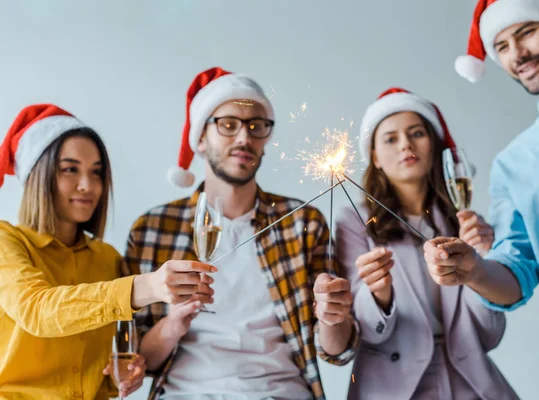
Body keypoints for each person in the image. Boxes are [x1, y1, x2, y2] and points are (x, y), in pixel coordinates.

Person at [125, 66, 360, 400]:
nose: (244, 137)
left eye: (256, 126)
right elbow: (140, 362)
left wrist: (332, 316)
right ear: (201, 138)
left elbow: (336, 352)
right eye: (228, 124)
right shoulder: (152, 229)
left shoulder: (301, 222)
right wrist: (174, 322)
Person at [424, 0, 539, 398]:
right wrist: (475, 271)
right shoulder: (513, 163)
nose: (516, 54)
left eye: (526, 32)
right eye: (500, 46)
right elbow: (517, 271)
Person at [0, 104, 216, 399]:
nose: (88, 185)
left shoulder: (108, 259)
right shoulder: (6, 242)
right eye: (70, 169)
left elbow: (108, 373)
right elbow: (38, 311)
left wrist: (128, 373)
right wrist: (148, 285)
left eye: (97, 172)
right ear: (39, 175)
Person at [333, 88, 517, 399]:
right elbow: (360, 330)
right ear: (375, 157)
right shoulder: (355, 221)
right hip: (391, 386)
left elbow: (490, 335)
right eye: (390, 138)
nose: (406, 144)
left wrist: (481, 267)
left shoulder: (463, 220)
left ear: (433, 144)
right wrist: (378, 294)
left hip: (471, 381)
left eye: (417, 133)